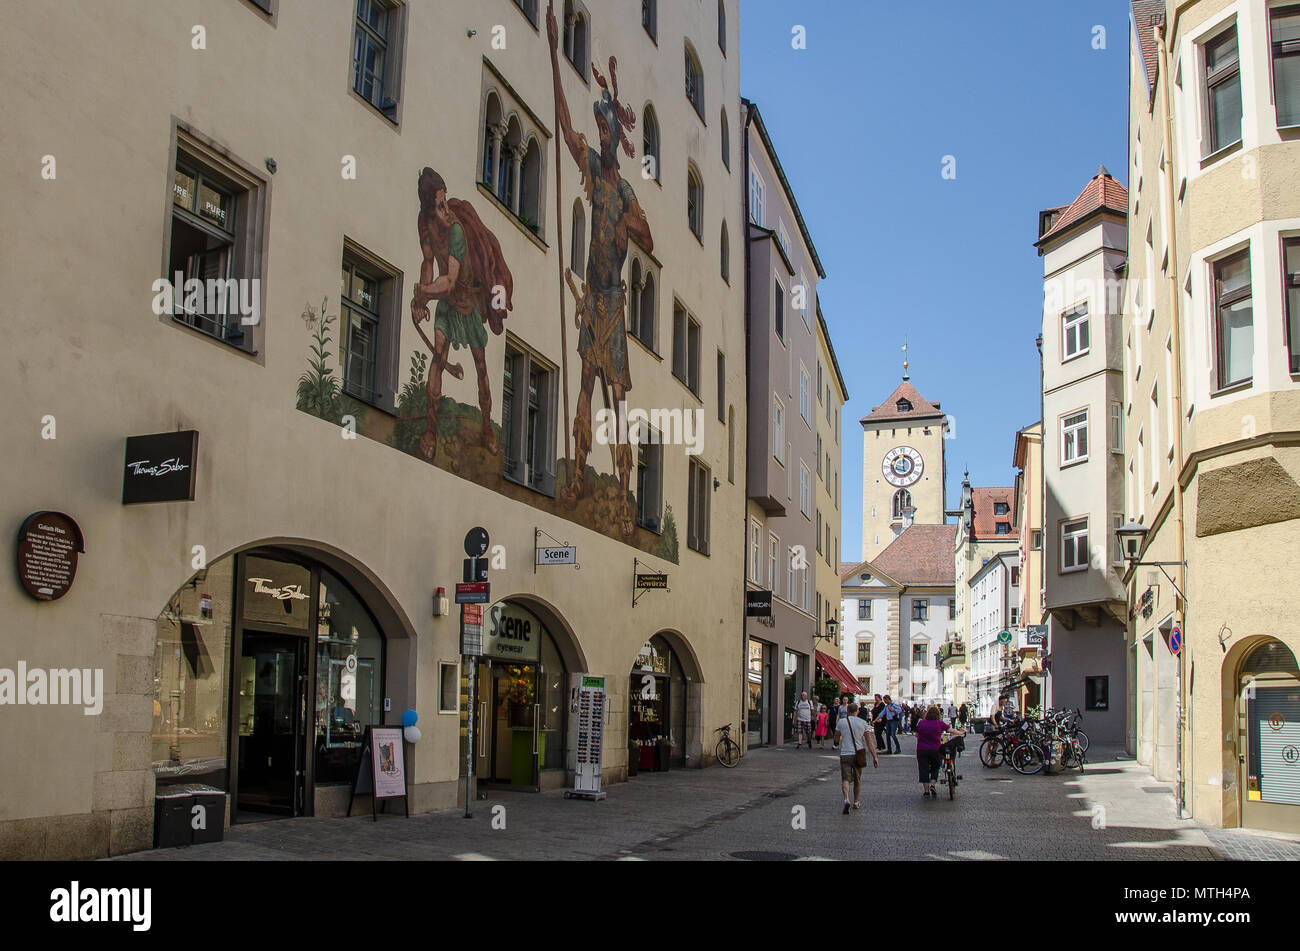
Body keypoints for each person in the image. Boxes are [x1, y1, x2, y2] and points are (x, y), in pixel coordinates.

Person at [547, 2, 654, 535]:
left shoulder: (626, 189)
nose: (602, 134)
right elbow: (566, 127)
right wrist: (551, 48)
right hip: (593, 294)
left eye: (607, 128)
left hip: (612, 303)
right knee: (587, 384)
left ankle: (626, 491)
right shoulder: (592, 164)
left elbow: (649, 234)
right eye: (601, 128)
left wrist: (629, 230)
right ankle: (578, 473)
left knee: (616, 398)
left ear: (617, 135)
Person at [411, 167, 513, 461]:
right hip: (445, 303)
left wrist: (424, 292)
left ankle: (487, 428)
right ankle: (431, 430)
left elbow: (450, 281)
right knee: (438, 357)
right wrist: (422, 300)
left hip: (466, 303)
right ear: (429, 208)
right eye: (440, 205)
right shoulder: (424, 223)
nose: (446, 210)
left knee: (481, 366)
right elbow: (428, 262)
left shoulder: (456, 230)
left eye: (446, 202)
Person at [834, 701, 879, 813]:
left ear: (847, 711)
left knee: (845, 779)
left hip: (845, 753)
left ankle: (846, 799)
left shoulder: (841, 722)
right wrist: (875, 757)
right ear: (857, 711)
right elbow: (869, 742)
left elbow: (836, 739)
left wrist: (838, 741)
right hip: (858, 754)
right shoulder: (863, 723)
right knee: (858, 779)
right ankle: (856, 801)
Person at [916, 704, 966, 798]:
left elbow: (916, 734)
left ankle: (926, 791)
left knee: (923, 769)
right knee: (935, 767)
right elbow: (951, 730)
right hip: (935, 749)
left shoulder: (921, 723)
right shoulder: (939, 723)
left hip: (922, 749)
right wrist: (961, 732)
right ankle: (933, 785)